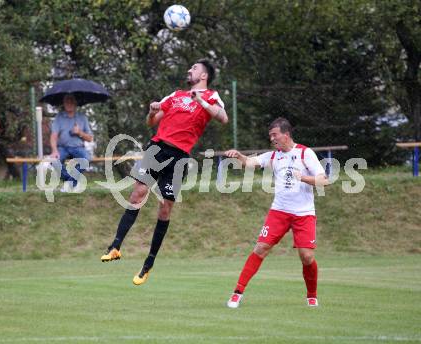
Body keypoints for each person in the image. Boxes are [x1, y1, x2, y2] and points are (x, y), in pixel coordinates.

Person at [101, 59, 228, 285]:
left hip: (179, 157)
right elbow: (151, 122)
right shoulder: (176, 95)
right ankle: (115, 246)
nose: (189, 70)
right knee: (137, 194)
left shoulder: (211, 96)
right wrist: (151, 111)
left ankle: (148, 264)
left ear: (204, 76)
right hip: (157, 147)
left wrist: (201, 101)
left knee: (164, 208)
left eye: (194, 68)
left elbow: (223, 118)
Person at [224, 117, 328, 308]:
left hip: (304, 214)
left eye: (275, 135)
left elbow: (323, 180)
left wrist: (303, 178)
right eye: (270, 135)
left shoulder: (306, 153)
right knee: (260, 248)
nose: (272, 138)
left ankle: (312, 296)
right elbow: (250, 162)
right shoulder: (274, 156)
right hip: (279, 212)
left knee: (307, 257)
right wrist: (239, 156)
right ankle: (237, 293)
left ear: (286, 135)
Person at [50, 94, 93, 190]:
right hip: (62, 147)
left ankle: (69, 184)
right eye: (66, 101)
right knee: (54, 160)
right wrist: (54, 150)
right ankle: (70, 181)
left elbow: (90, 138)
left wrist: (79, 132)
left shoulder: (82, 118)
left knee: (86, 159)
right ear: (64, 104)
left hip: (78, 148)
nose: (69, 103)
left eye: (71, 101)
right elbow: (53, 136)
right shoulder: (59, 117)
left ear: (75, 103)